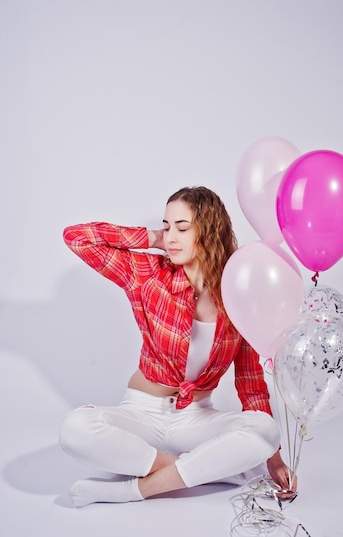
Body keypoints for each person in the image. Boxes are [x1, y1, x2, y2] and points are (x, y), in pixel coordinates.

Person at [59, 186, 297, 507]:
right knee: (75, 428)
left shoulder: (238, 296)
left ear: (210, 231)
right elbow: (77, 237)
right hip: (142, 413)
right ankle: (200, 470)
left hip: (195, 419)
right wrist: (153, 239)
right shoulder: (147, 275)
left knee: (265, 431)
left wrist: (275, 460)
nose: (171, 236)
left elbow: (251, 386)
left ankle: (130, 491)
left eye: (182, 228)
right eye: (167, 226)